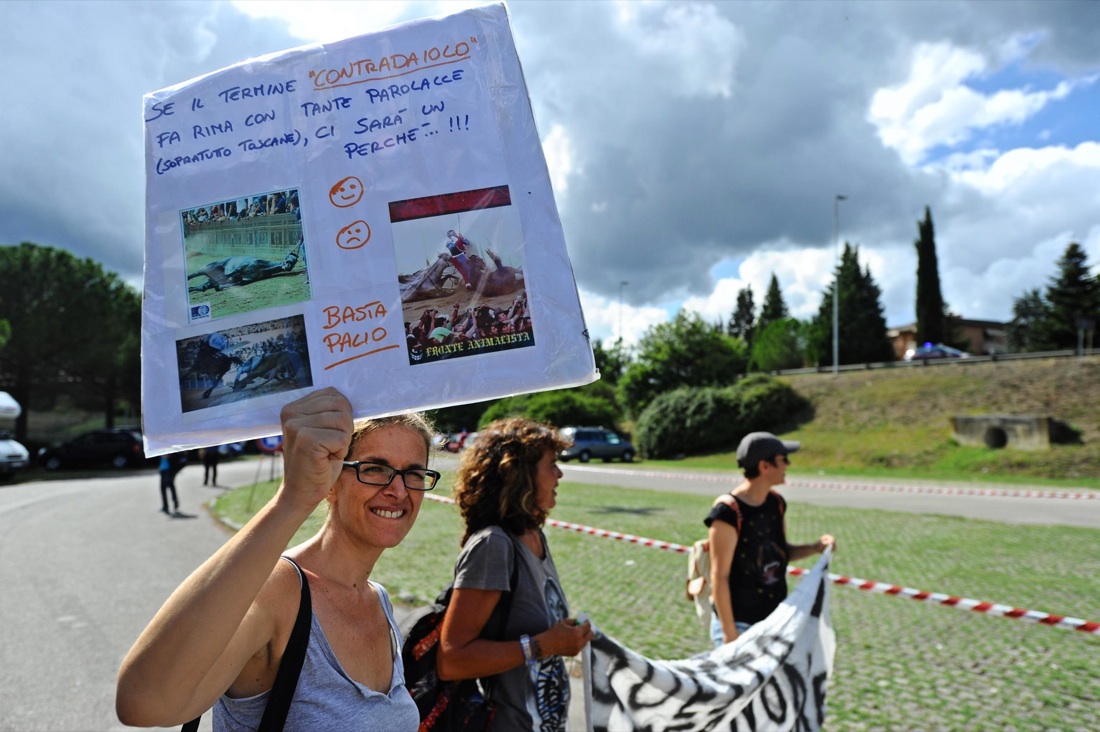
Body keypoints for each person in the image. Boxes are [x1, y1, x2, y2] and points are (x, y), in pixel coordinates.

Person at [117, 388, 434, 731]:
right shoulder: (279, 592)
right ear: (330, 482)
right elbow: (144, 703)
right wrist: (292, 498)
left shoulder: (379, 599)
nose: (399, 491)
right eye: (375, 468)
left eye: (414, 474)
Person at [437, 417, 594, 732]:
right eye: (551, 464)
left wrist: (563, 636)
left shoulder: (534, 535)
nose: (560, 474)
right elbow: (451, 660)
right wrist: (544, 645)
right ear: (520, 475)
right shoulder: (493, 545)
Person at [705, 431, 835, 648]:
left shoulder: (776, 503)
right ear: (765, 466)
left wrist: (815, 548)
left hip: (774, 621)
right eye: (783, 459)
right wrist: (730, 634)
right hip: (739, 624)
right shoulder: (727, 512)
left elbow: (779, 552)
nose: (788, 465)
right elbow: (720, 576)